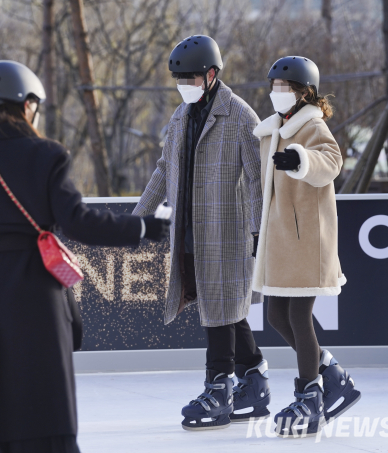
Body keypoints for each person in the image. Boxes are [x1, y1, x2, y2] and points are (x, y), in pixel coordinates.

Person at [0, 60, 170, 452]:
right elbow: (78, 223)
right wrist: (144, 227)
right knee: (41, 409)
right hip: (36, 295)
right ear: (27, 104)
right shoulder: (47, 155)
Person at [133, 35, 270, 431]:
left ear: (211, 74)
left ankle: (219, 386)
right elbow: (163, 169)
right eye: (178, 78)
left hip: (227, 231)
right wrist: (138, 217)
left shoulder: (241, 116)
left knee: (219, 309)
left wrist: (259, 232)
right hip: (190, 231)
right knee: (222, 307)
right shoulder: (180, 117)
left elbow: (260, 180)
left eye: (189, 77)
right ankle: (255, 377)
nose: (183, 84)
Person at [252, 56, 361, 437]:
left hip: (307, 240)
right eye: (273, 87)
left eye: (284, 88)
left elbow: (332, 161)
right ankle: (330, 373)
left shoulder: (311, 125)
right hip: (282, 239)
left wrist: (299, 159)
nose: (275, 93)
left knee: (298, 317)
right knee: (276, 317)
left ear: (304, 93)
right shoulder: (272, 130)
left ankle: (310, 394)